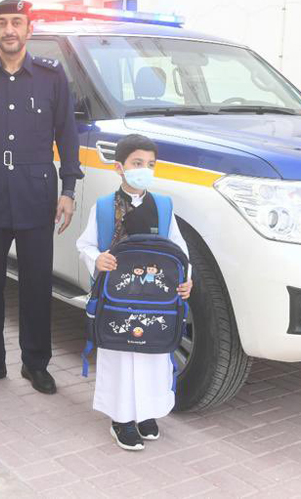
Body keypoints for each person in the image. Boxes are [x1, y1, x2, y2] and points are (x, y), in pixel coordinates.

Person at [0, 0, 83, 394]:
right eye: (2, 23)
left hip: (36, 192)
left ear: (28, 29)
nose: (9, 30)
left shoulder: (51, 76)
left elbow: (67, 136)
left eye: (16, 23)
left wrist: (69, 188)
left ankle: (35, 364)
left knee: (37, 284)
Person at [75, 134, 193, 451]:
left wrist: (187, 280)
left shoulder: (164, 206)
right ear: (120, 167)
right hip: (118, 298)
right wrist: (97, 258)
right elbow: (84, 244)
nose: (144, 169)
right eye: (137, 163)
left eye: (150, 165)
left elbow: (179, 250)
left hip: (157, 298)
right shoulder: (103, 208)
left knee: (152, 352)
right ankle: (121, 419)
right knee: (120, 353)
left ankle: (146, 413)